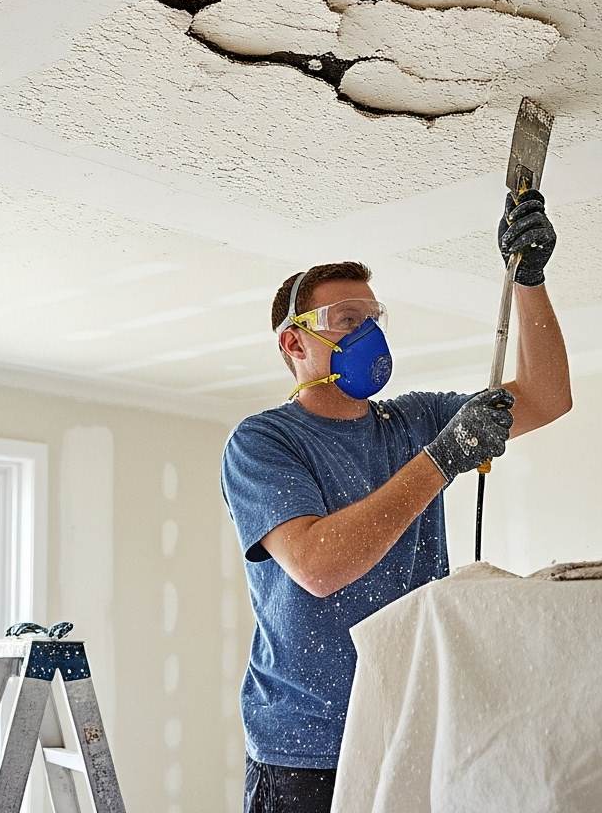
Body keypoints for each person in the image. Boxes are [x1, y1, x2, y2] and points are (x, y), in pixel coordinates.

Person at [220, 191, 569, 812]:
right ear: (294, 345)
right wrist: (441, 460)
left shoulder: (414, 421)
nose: (369, 333)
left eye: (373, 316)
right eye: (347, 319)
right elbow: (318, 566)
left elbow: (545, 397)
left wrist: (529, 280)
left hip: (415, 727)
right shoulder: (264, 441)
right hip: (309, 751)